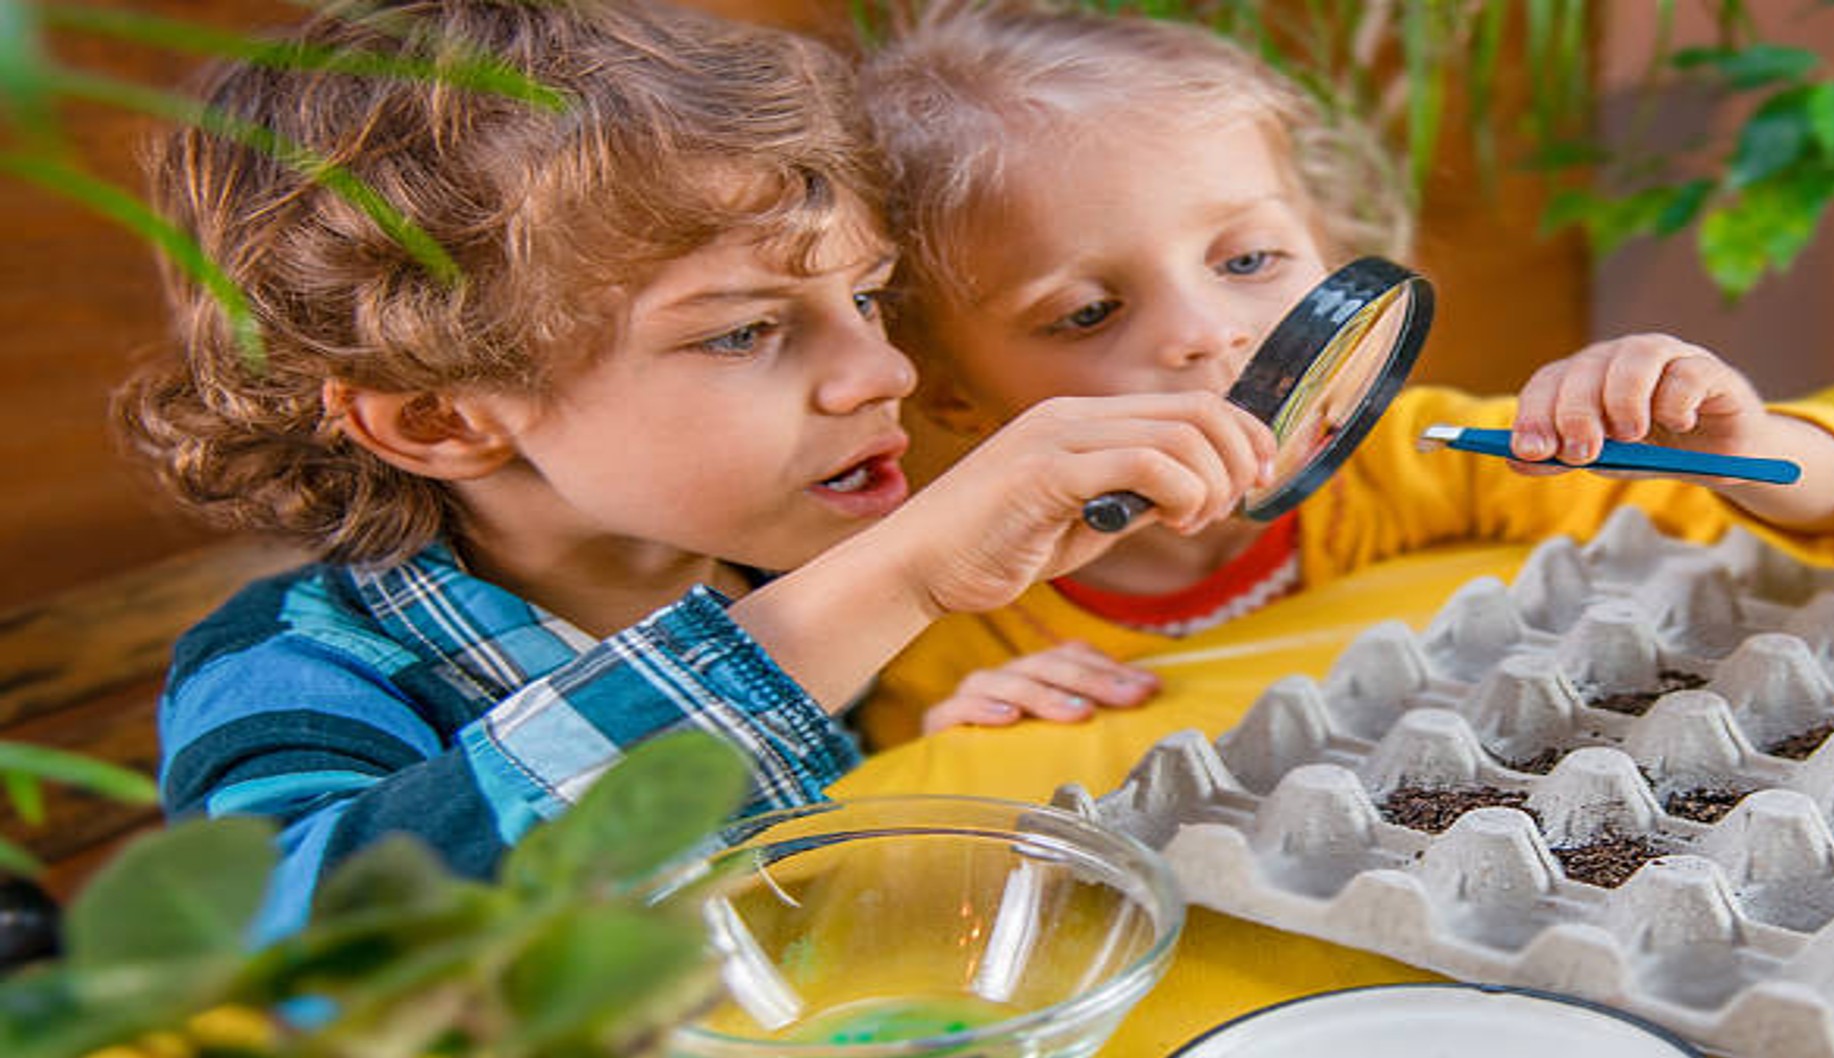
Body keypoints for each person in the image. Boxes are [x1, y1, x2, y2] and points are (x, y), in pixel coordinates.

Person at [114, 0, 1276, 938]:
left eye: (865, 297)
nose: (880, 372)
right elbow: (294, 953)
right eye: (742, 332)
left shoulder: (755, 568)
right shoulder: (289, 671)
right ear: (434, 420)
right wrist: (894, 586)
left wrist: (922, 753)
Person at [854, 3, 1834, 745]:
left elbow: (1794, 522)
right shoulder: (944, 602)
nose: (1206, 334)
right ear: (948, 391)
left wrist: (1750, 448)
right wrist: (975, 732)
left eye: (1250, 260)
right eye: (1086, 312)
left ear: (1324, 237)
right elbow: (910, 792)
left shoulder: (1421, 454)